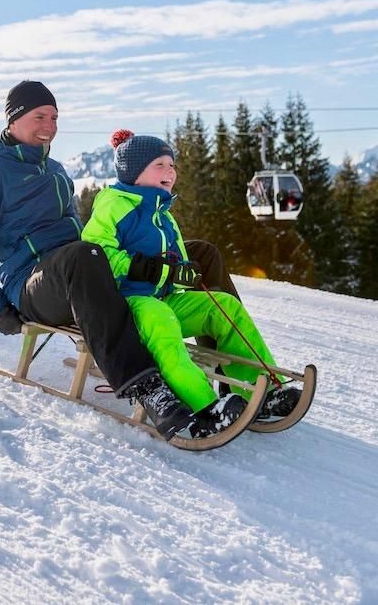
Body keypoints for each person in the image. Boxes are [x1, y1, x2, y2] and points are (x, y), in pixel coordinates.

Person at [0, 80, 194, 438]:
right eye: (40, 116)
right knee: (84, 254)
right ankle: (146, 388)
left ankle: (239, 369)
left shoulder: (56, 171)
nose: (50, 126)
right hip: (32, 284)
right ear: (13, 119)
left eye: (55, 117)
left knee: (192, 251)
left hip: (81, 272)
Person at [81, 130, 301, 437]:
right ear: (134, 171)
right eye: (160, 164)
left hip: (163, 299)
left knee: (222, 306)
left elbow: (178, 262)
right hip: (130, 304)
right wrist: (151, 269)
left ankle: (259, 391)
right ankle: (205, 406)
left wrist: (184, 272)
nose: (170, 172)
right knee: (164, 324)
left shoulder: (165, 214)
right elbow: (95, 255)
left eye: (172, 165)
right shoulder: (114, 205)